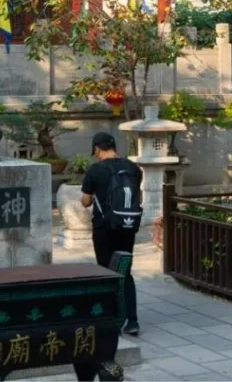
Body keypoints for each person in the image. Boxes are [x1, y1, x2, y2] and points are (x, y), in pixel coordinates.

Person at [80, 132, 142, 335]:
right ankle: (132, 321)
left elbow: (86, 200)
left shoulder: (96, 170)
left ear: (97, 149)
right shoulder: (133, 168)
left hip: (103, 228)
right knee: (125, 271)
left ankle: (110, 317)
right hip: (127, 225)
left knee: (106, 272)